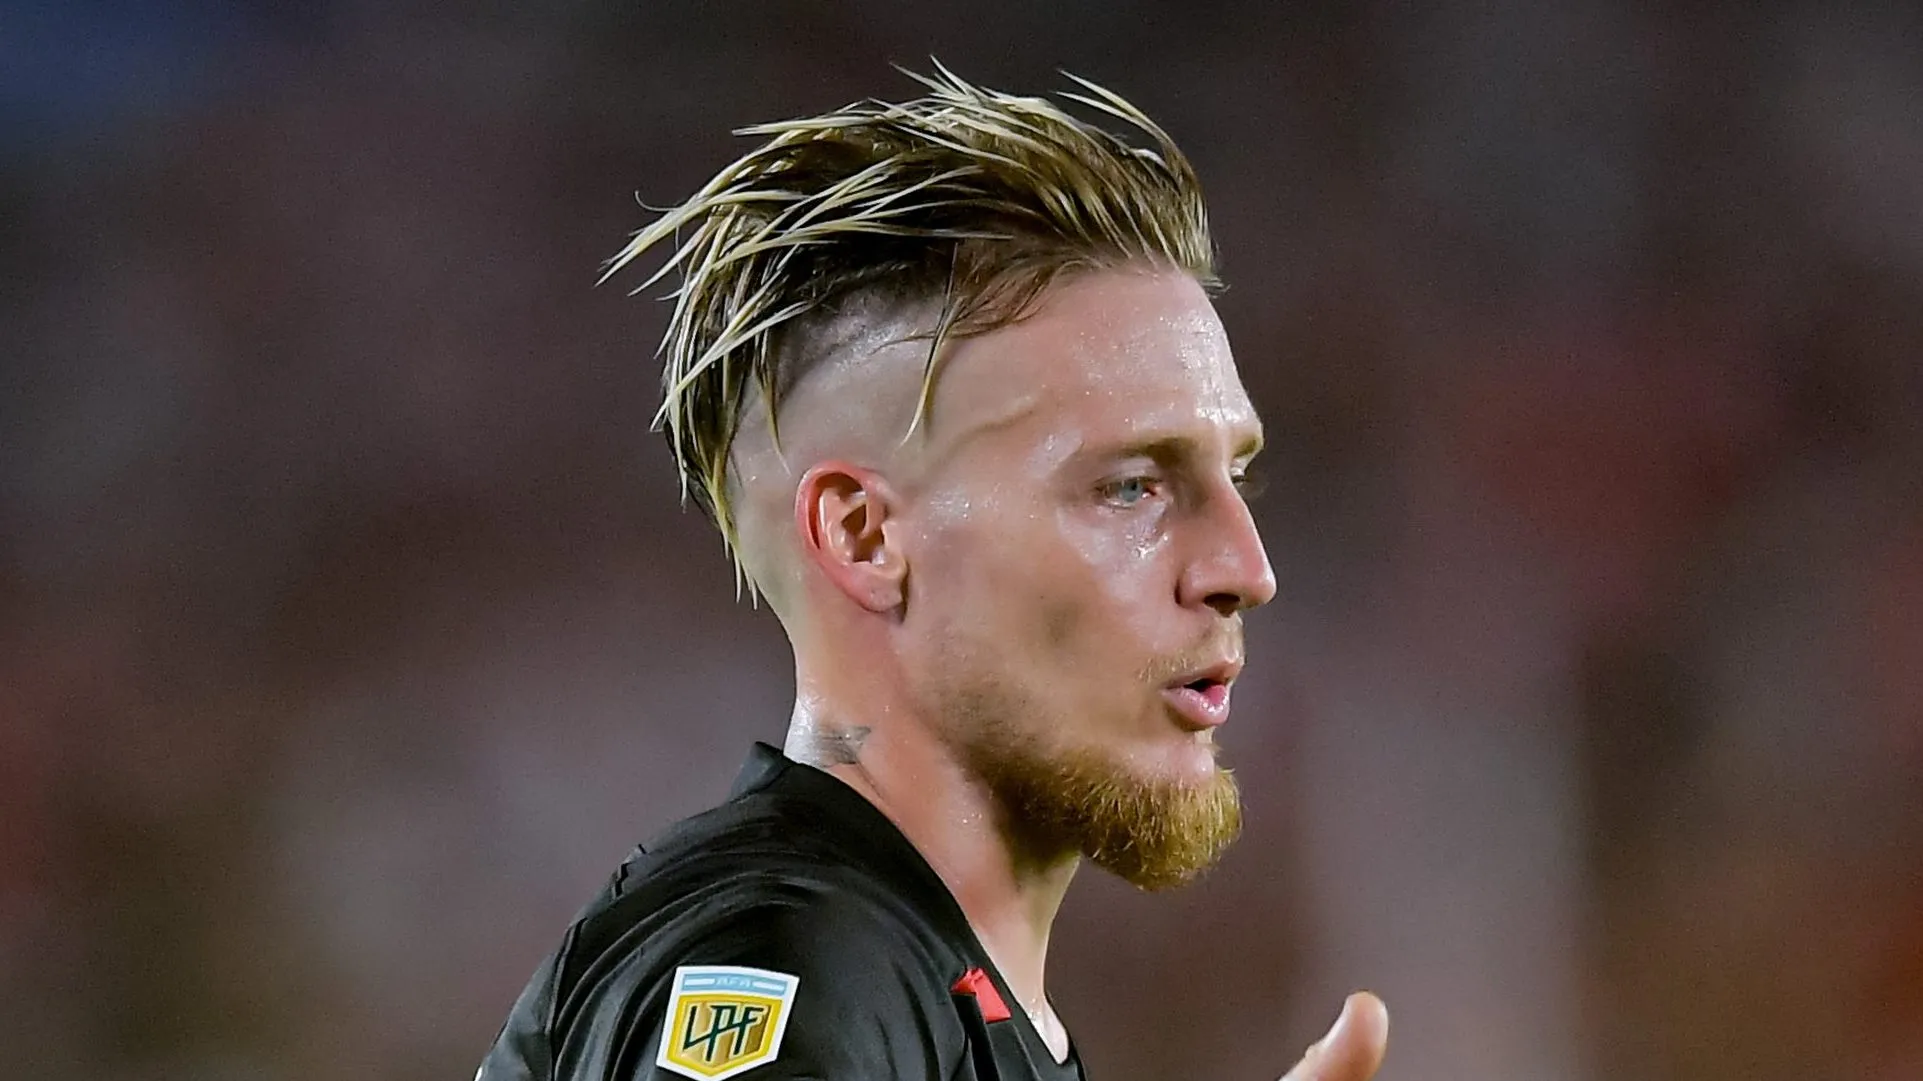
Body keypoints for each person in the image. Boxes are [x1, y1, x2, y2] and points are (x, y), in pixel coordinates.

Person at [476, 65, 1389, 1081]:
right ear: (866, 538)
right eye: (1131, 486)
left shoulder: (913, 983)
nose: (1244, 569)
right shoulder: (797, 969)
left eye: (1236, 476)